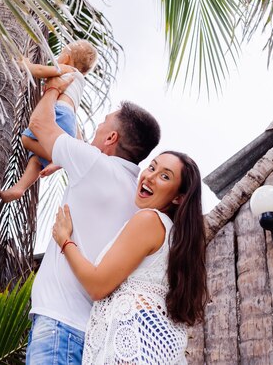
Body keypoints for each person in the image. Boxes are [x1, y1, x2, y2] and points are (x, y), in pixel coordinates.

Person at [24, 74, 161, 365]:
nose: (97, 127)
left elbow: (38, 126)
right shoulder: (137, 194)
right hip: (90, 335)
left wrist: (55, 87)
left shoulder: (94, 164)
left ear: (112, 138)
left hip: (60, 327)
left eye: (102, 123)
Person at [52, 151, 208, 365]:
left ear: (178, 197)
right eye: (152, 167)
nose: (150, 177)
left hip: (134, 338)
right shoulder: (176, 239)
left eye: (165, 176)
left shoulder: (149, 220)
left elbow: (97, 285)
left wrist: (65, 241)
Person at [0, 40, 98, 202]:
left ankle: (59, 158)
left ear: (66, 58)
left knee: (27, 139)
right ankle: (19, 188)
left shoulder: (67, 69)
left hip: (58, 113)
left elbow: (38, 70)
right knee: (36, 159)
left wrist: (26, 63)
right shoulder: (78, 83)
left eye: (58, 56)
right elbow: (73, 119)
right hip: (68, 121)